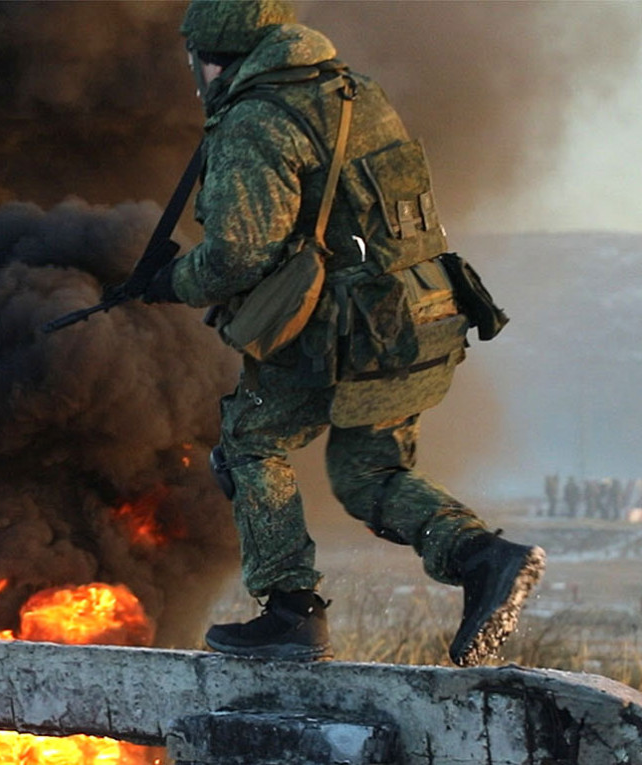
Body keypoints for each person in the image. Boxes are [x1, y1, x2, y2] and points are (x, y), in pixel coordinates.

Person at [143, 0, 545, 667]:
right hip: (428, 315)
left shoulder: (257, 121)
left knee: (251, 436)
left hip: (359, 332)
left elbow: (241, 253)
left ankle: (290, 612)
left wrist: (173, 282)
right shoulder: (353, 92)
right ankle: (483, 557)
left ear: (217, 56)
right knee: (367, 471)